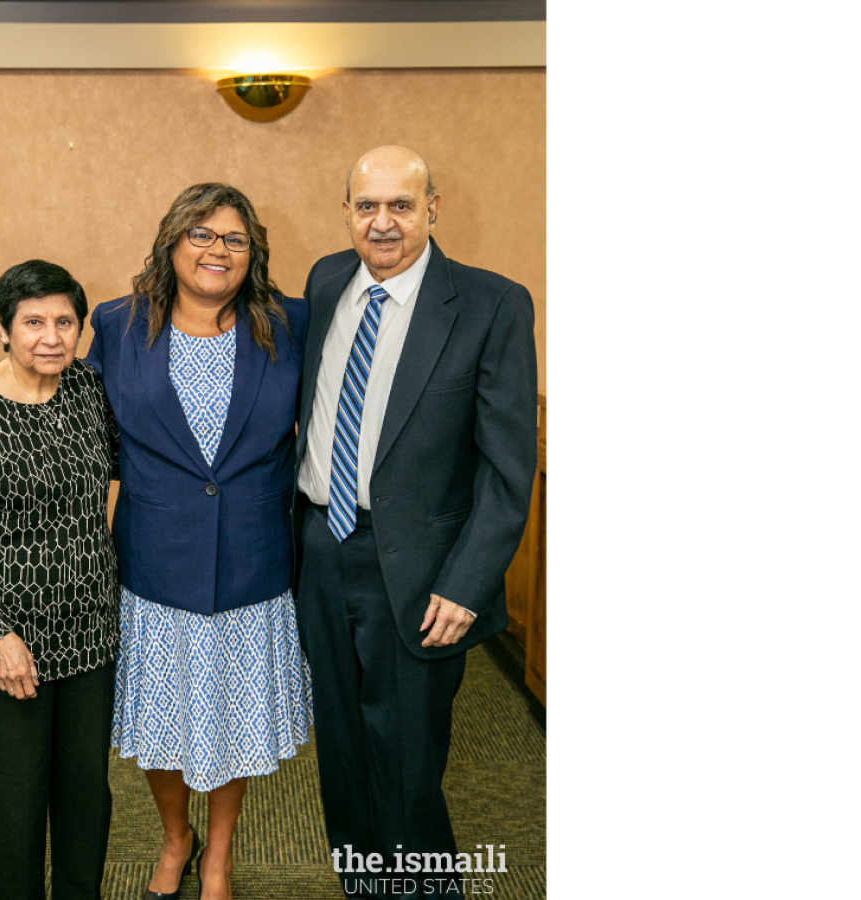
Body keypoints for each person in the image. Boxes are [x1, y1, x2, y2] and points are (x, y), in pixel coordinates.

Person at [293, 146, 538, 900]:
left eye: (402, 205)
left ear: (433, 208)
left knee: (405, 762)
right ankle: (363, 889)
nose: (384, 222)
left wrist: (467, 585)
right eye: (368, 206)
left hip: (424, 575)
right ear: (346, 213)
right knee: (340, 749)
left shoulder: (492, 304)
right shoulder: (327, 280)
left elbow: (507, 466)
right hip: (320, 549)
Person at [87, 183, 312, 900]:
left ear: (255, 253)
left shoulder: (291, 322)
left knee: (236, 718)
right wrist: (1, 385)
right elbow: (81, 420)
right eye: (202, 235)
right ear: (172, 242)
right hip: (156, 558)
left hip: (253, 557)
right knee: (163, 717)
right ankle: (175, 838)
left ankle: (217, 855)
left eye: (235, 239)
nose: (218, 250)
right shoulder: (119, 324)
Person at [0, 259, 120, 900]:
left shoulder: (90, 391)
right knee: (11, 808)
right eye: (33, 321)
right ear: (3, 330)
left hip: (89, 635)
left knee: (85, 801)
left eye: (65, 321)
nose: (51, 336)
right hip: (6, 642)